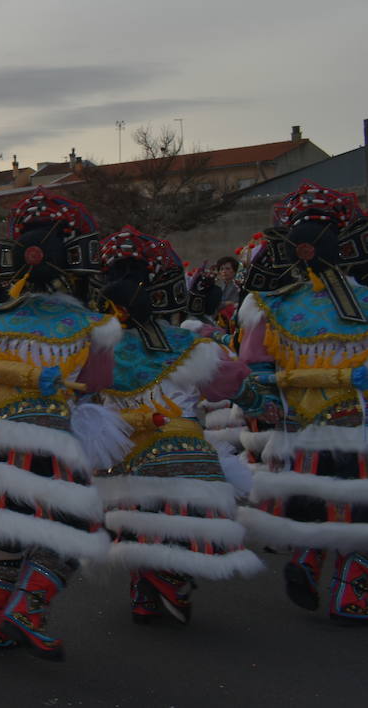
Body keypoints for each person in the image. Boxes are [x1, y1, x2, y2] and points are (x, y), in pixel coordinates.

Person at [0, 188, 126, 659]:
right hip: (51, 440)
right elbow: (97, 383)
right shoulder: (91, 324)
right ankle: (26, 610)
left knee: (3, 528)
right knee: (74, 524)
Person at [94, 226, 263, 624]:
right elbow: (236, 383)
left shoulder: (96, 347)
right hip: (185, 453)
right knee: (186, 517)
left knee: (134, 513)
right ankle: (167, 574)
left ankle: (144, 590)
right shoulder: (193, 345)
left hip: (119, 452)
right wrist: (262, 403)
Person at [235, 182, 368, 624]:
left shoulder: (273, 307)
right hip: (357, 418)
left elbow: (253, 365)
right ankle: (351, 593)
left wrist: (266, 400)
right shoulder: (363, 301)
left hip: (300, 424)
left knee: (314, 497)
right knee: (357, 503)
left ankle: (308, 563)